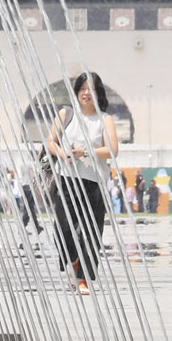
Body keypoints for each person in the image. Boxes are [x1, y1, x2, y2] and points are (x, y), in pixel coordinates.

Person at [44, 71, 121, 295]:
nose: (86, 93)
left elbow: (112, 151)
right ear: (77, 91)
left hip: (93, 184)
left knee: (90, 232)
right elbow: (50, 140)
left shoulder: (104, 120)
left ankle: (83, 280)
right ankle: (73, 261)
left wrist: (85, 151)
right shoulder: (66, 114)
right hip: (67, 181)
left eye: (92, 89)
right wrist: (61, 152)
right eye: (83, 89)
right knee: (63, 230)